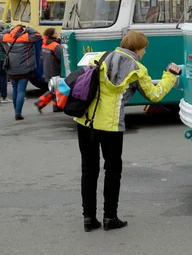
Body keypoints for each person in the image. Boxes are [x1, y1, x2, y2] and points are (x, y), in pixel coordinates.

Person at [75, 30, 181, 232]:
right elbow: (155, 95)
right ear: (137, 49)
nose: (144, 53)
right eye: (144, 50)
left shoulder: (101, 57)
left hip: (85, 120)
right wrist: (170, 76)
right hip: (110, 125)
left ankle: (88, 218)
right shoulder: (137, 69)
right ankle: (110, 217)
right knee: (112, 170)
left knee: (88, 170)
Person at [1, 24, 42, 120]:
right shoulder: (27, 38)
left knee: (15, 90)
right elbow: (38, 35)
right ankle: (18, 112)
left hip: (11, 68)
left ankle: (16, 110)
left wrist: (9, 30)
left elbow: (1, 34)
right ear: (21, 31)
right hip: (25, 69)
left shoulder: (6, 38)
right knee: (21, 91)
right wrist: (28, 28)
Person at [34, 28, 63, 112]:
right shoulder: (55, 46)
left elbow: (41, 58)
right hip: (55, 70)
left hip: (47, 70)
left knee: (55, 88)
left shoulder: (44, 44)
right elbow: (61, 58)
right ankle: (40, 102)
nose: (57, 34)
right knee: (54, 89)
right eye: (55, 33)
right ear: (51, 35)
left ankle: (56, 106)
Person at [0, 21, 7, 103]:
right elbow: (5, 48)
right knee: (3, 77)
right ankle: (3, 96)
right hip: (2, 58)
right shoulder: (2, 36)